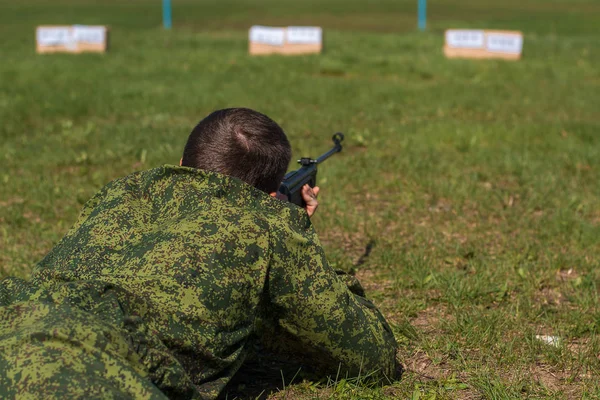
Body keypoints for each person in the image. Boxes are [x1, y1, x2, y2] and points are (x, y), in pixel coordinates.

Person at [0, 108, 399, 399]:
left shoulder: (123, 191)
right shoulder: (265, 226)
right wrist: (298, 232)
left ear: (182, 164)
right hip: (83, 365)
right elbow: (370, 356)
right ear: (271, 192)